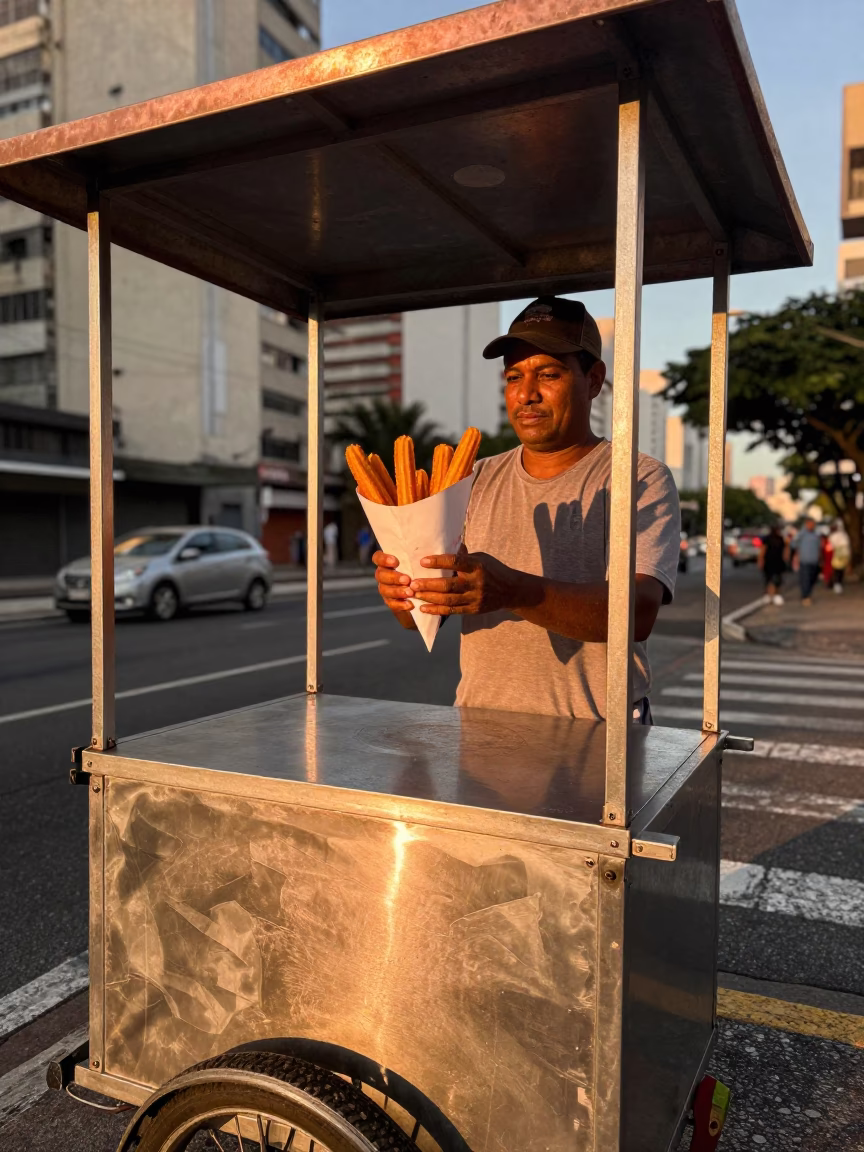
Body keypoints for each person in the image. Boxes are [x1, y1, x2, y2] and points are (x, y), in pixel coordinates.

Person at [373, 296, 681, 722]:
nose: (526, 394)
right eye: (514, 377)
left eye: (548, 375)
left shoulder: (639, 478)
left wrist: (515, 591)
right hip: (480, 732)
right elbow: (427, 617)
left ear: (593, 380)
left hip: (597, 736)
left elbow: (639, 612)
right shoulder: (475, 479)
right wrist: (402, 594)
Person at [792, 516, 821, 605]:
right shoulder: (801, 534)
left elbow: (819, 548)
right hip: (804, 561)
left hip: (814, 561)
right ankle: (805, 596)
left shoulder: (816, 535)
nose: (812, 526)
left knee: (813, 579)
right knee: (805, 579)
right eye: (810, 524)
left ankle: (808, 594)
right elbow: (793, 544)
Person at [758, 524, 787, 605]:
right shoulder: (769, 539)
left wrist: (760, 560)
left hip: (775, 562)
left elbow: (762, 550)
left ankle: (773, 595)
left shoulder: (780, 539)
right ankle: (770, 595)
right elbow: (763, 550)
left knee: (774, 580)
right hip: (771, 562)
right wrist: (761, 560)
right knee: (770, 579)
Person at [828, 520, 851, 594]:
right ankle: (836, 584)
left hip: (842, 555)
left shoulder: (842, 535)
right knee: (837, 570)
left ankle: (838, 584)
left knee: (840, 571)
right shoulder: (836, 535)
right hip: (837, 555)